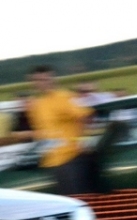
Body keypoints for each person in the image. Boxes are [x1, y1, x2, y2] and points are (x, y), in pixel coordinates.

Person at [26, 65, 96, 195]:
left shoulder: (65, 97)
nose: (42, 83)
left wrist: (81, 140)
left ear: (53, 79)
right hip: (51, 161)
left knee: (78, 200)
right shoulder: (36, 104)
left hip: (70, 158)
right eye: (37, 80)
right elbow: (41, 131)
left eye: (45, 79)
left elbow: (85, 115)